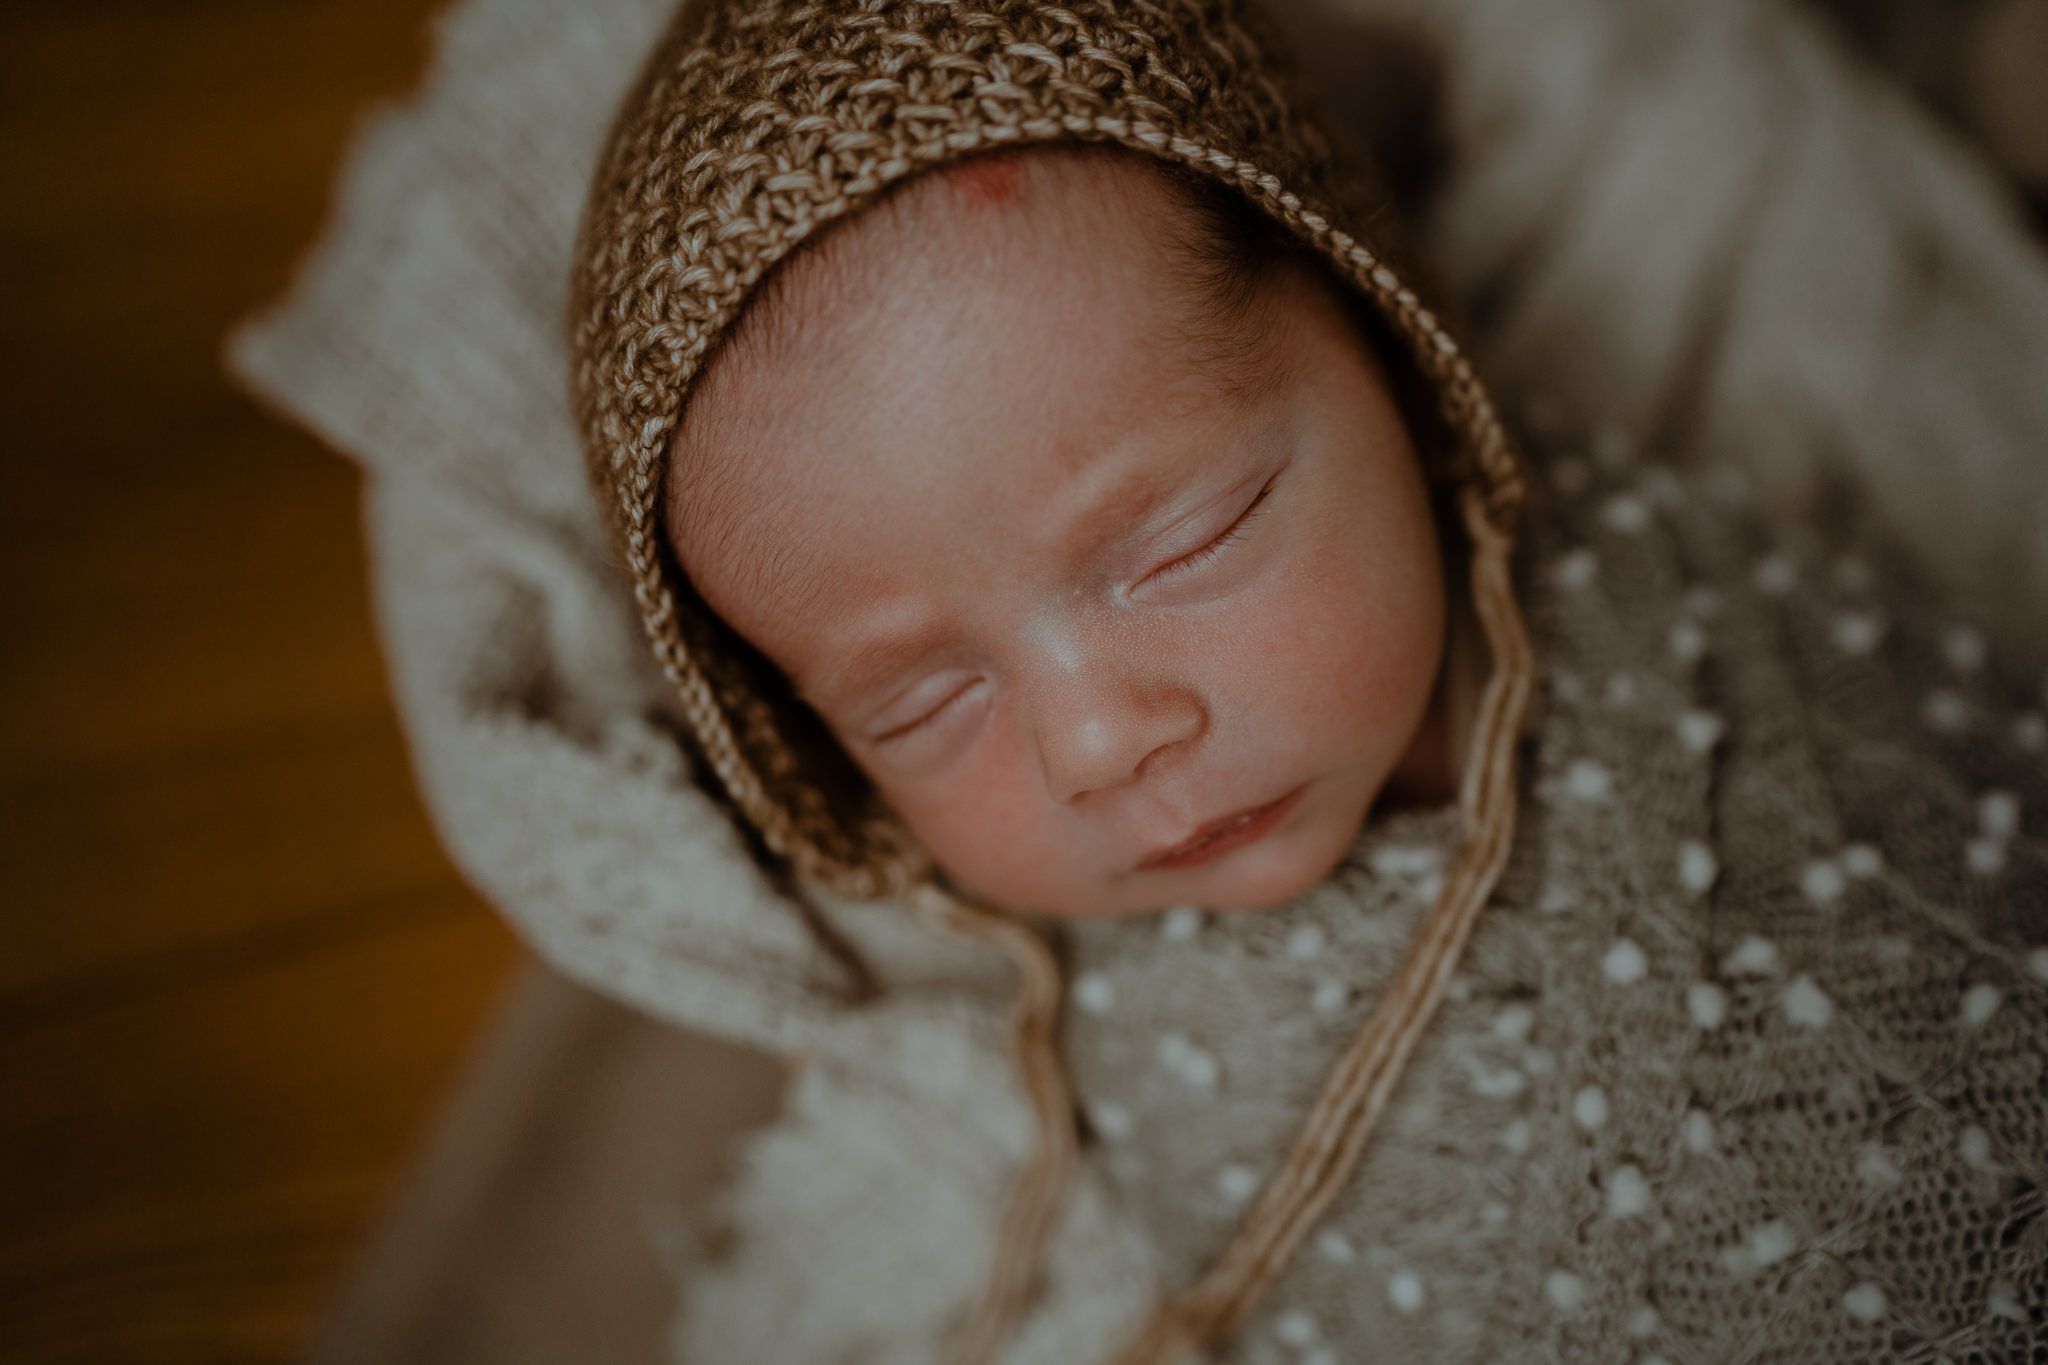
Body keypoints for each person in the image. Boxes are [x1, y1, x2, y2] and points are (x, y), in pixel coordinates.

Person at [565, 1, 2048, 1362]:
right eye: (919, 703)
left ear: (1395, 349)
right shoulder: (1081, 1066)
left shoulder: (1685, 604)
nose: (1095, 741)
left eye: (1184, 541)